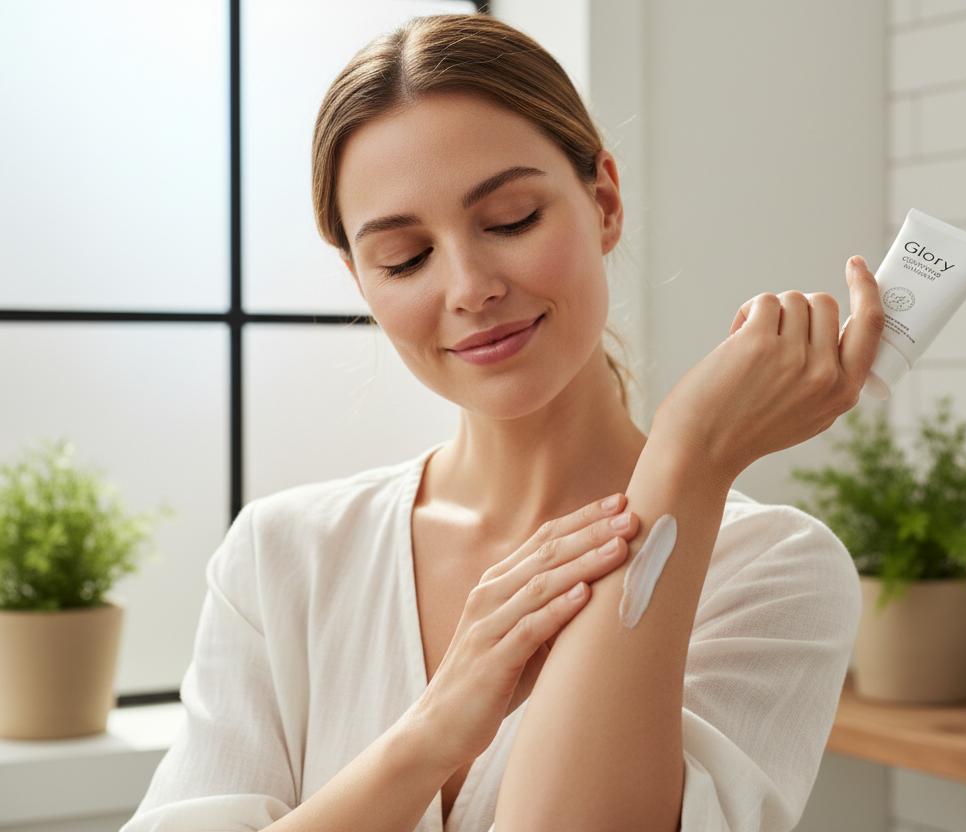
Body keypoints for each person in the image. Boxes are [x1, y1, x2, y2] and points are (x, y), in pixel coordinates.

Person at [122, 12, 884, 832]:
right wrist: (431, 736)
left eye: (512, 219)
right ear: (359, 279)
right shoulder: (282, 561)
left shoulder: (773, 570)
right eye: (405, 259)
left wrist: (688, 457)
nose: (470, 286)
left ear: (604, 202)